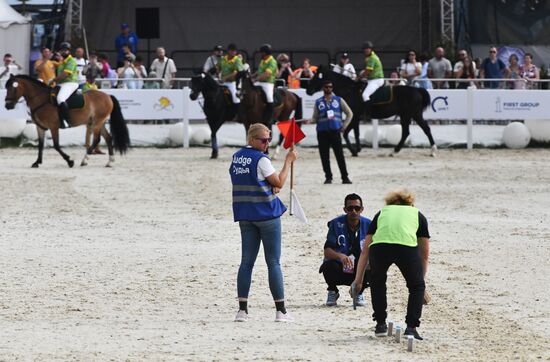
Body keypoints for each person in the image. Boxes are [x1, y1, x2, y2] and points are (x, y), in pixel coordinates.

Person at [230, 123, 298, 323]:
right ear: (251, 139)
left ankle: (242, 310)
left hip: (245, 214)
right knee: (273, 262)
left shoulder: (236, 157)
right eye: (263, 140)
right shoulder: (261, 159)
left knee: (246, 262)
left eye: (269, 139)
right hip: (266, 215)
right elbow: (279, 182)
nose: (267, 143)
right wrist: (288, 162)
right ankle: (281, 311)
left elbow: (249, 181)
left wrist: (270, 187)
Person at [352, 188, 430, 340]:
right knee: (416, 287)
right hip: (406, 248)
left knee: (378, 283)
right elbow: (424, 253)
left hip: (380, 248)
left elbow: (365, 251)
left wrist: (358, 280)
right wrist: (421, 281)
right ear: (410, 203)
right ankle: (411, 328)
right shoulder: (417, 214)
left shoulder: (382, 213)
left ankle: (380, 324)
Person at [320, 193, 371, 307]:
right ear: (345, 209)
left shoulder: (369, 225)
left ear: (362, 209)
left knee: (371, 263)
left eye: (357, 208)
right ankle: (332, 291)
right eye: (350, 208)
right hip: (340, 268)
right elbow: (327, 250)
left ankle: (359, 291)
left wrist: (360, 280)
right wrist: (341, 256)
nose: (353, 211)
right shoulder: (335, 224)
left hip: (359, 270)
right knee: (328, 265)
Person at [311, 80, 353, 184]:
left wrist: (344, 126)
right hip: (322, 132)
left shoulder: (338, 100)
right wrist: (310, 120)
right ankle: (328, 177)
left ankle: (345, 177)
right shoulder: (318, 102)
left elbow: (349, 113)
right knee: (324, 156)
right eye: (326, 87)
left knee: (340, 155)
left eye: (330, 87)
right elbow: (315, 117)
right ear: (323, 88)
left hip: (335, 131)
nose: (328, 89)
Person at [49, 42, 78, 128]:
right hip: (61, 84)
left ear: (69, 51)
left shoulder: (71, 61)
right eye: (62, 50)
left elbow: (65, 74)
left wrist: (53, 80)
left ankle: (67, 121)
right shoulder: (61, 62)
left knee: (60, 99)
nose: (64, 52)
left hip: (70, 83)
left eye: (66, 50)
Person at [252, 44, 278, 123]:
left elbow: (267, 74)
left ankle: (271, 116)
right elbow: (259, 71)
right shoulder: (263, 60)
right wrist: (252, 76)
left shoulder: (272, 61)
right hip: (259, 82)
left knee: (269, 97)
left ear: (265, 53)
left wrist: (256, 79)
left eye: (262, 53)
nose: (261, 54)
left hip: (268, 83)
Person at [359, 41, 385, 117]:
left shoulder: (372, 58)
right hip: (371, 79)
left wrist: (359, 77)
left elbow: (368, 71)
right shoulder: (368, 58)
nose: (366, 50)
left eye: (368, 49)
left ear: (371, 49)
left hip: (376, 80)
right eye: (365, 49)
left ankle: (369, 114)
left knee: (365, 95)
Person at [217, 43, 243, 114]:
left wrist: (225, 78)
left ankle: (237, 113)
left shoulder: (237, 60)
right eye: (231, 51)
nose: (233, 52)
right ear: (228, 51)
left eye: (234, 51)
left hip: (232, 83)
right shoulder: (223, 59)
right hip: (222, 82)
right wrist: (218, 74)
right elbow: (218, 67)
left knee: (235, 98)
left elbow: (235, 73)